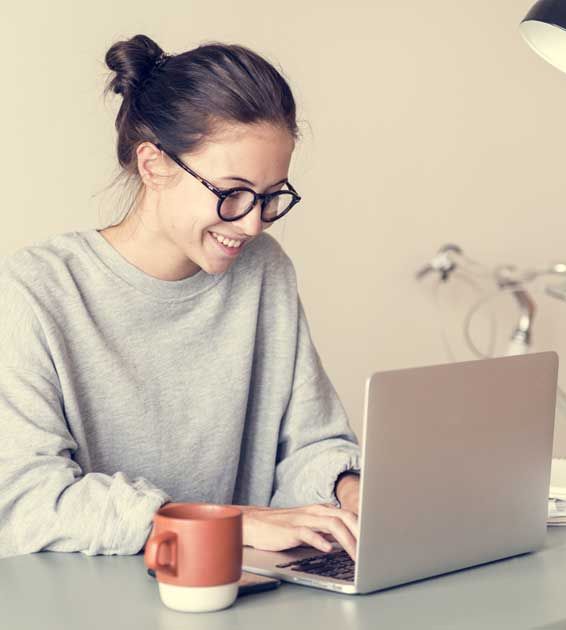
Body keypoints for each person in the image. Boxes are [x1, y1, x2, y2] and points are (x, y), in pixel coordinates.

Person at [0, 34, 361, 560]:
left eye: (270, 197)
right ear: (153, 165)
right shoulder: (36, 291)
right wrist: (228, 524)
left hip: (238, 597)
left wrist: (348, 490)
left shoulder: (264, 273)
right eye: (231, 192)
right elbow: (26, 502)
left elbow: (311, 445)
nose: (254, 222)